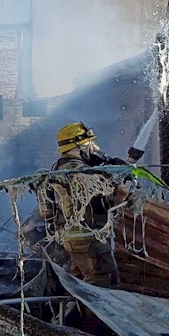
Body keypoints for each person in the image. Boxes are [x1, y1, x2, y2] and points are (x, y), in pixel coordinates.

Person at [48, 122, 122, 288]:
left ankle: (74, 306)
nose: (95, 148)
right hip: (87, 238)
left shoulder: (63, 168)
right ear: (79, 146)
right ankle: (90, 308)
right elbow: (101, 201)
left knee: (80, 285)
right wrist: (114, 176)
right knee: (103, 282)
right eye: (91, 144)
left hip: (75, 237)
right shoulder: (79, 171)